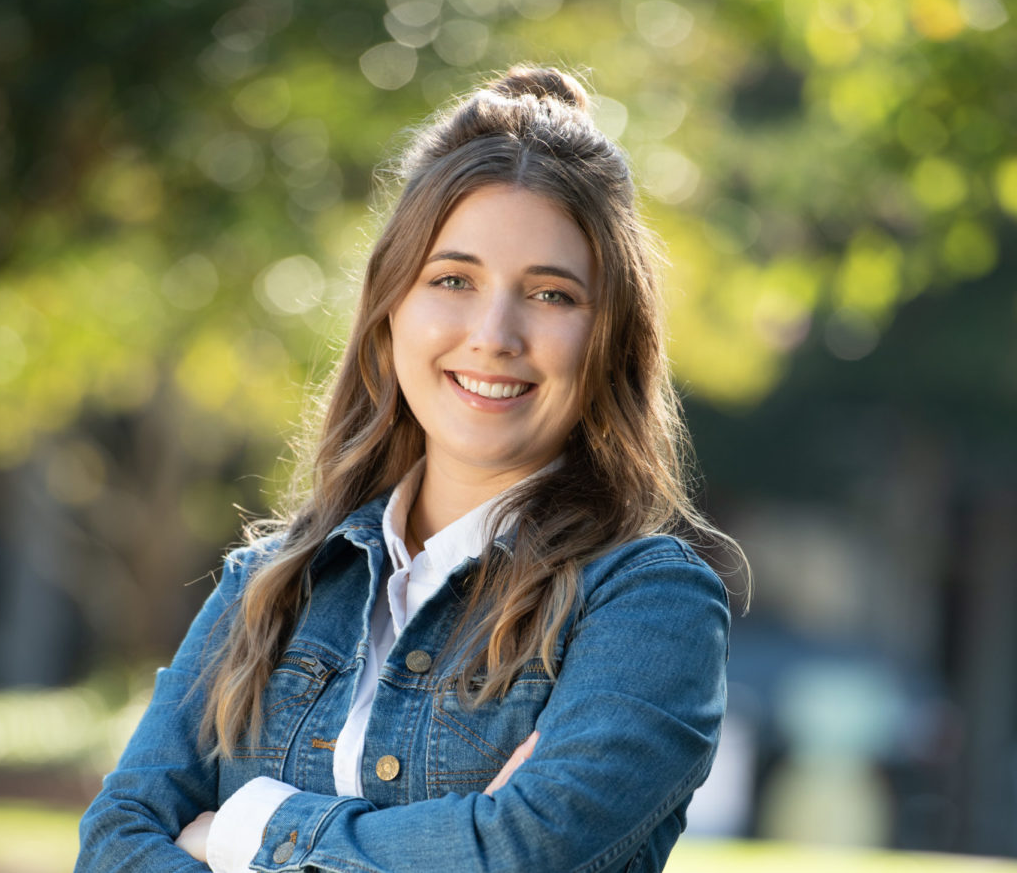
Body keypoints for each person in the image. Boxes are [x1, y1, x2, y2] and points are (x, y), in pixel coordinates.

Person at [76, 65, 740, 873]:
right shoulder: (269, 583)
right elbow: (115, 841)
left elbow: (520, 853)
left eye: (552, 295)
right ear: (391, 314)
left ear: (610, 341)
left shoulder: (648, 604)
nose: (494, 333)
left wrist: (243, 830)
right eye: (453, 280)